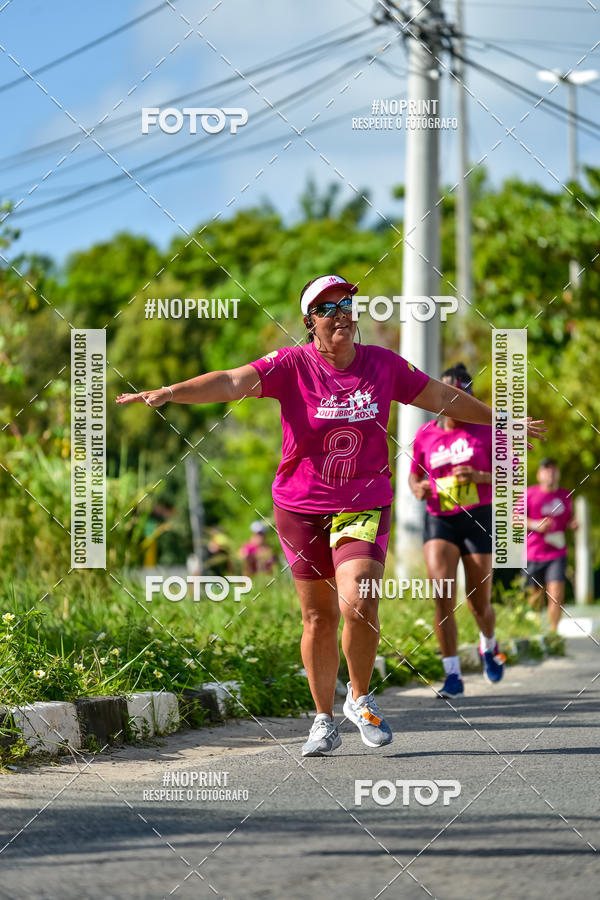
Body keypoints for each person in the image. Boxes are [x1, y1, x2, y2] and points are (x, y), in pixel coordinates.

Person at [117, 275, 545, 755]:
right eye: (327, 308)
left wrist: (500, 418)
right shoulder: (290, 364)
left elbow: (442, 398)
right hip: (298, 507)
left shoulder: (382, 365)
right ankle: (322, 719)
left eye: (346, 304)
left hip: (363, 501)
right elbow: (233, 380)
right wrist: (171, 392)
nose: (340, 313)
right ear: (309, 322)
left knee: (358, 599)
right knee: (317, 616)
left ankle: (359, 699)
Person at [409, 363, 503, 698]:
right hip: (440, 519)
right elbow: (414, 475)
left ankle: (488, 646)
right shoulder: (426, 434)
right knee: (442, 595)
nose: (457, 401)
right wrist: (417, 487)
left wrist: (479, 477)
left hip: (477, 517)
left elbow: (511, 478)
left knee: (479, 604)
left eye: (464, 394)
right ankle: (452, 674)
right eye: (451, 395)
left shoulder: (488, 431)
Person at [521, 458, 577, 631]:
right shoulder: (529, 494)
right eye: (546, 470)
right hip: (532, 553)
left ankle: (553, 633)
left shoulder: (566, 496)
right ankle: (536, 632)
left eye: (554, 470)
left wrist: (572, 524)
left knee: (556, 595)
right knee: (534, 599)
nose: (551, 473)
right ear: (539, 474)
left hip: (556, 553)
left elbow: (567, 520)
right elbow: (514, 519)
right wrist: (535, 524)